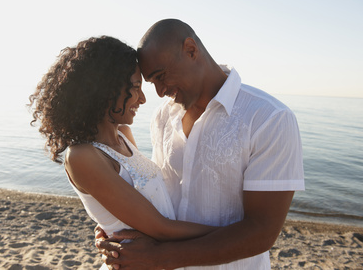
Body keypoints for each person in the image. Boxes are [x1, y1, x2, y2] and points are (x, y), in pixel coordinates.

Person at [96, 19, 305, 269]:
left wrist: (159, 257)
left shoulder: (268, 118)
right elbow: (158, 192)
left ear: (191, 50)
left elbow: (262, 232)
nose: (160, 92)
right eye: (152, 82)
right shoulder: (163, 116)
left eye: (161, 76)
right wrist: (118, 226)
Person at [29, 36, 221, 270]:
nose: (142, 98)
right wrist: (235, 234)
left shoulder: (125, 136)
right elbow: (160, 227)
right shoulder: (82, 156)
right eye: (136, 87)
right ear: (105, 90)